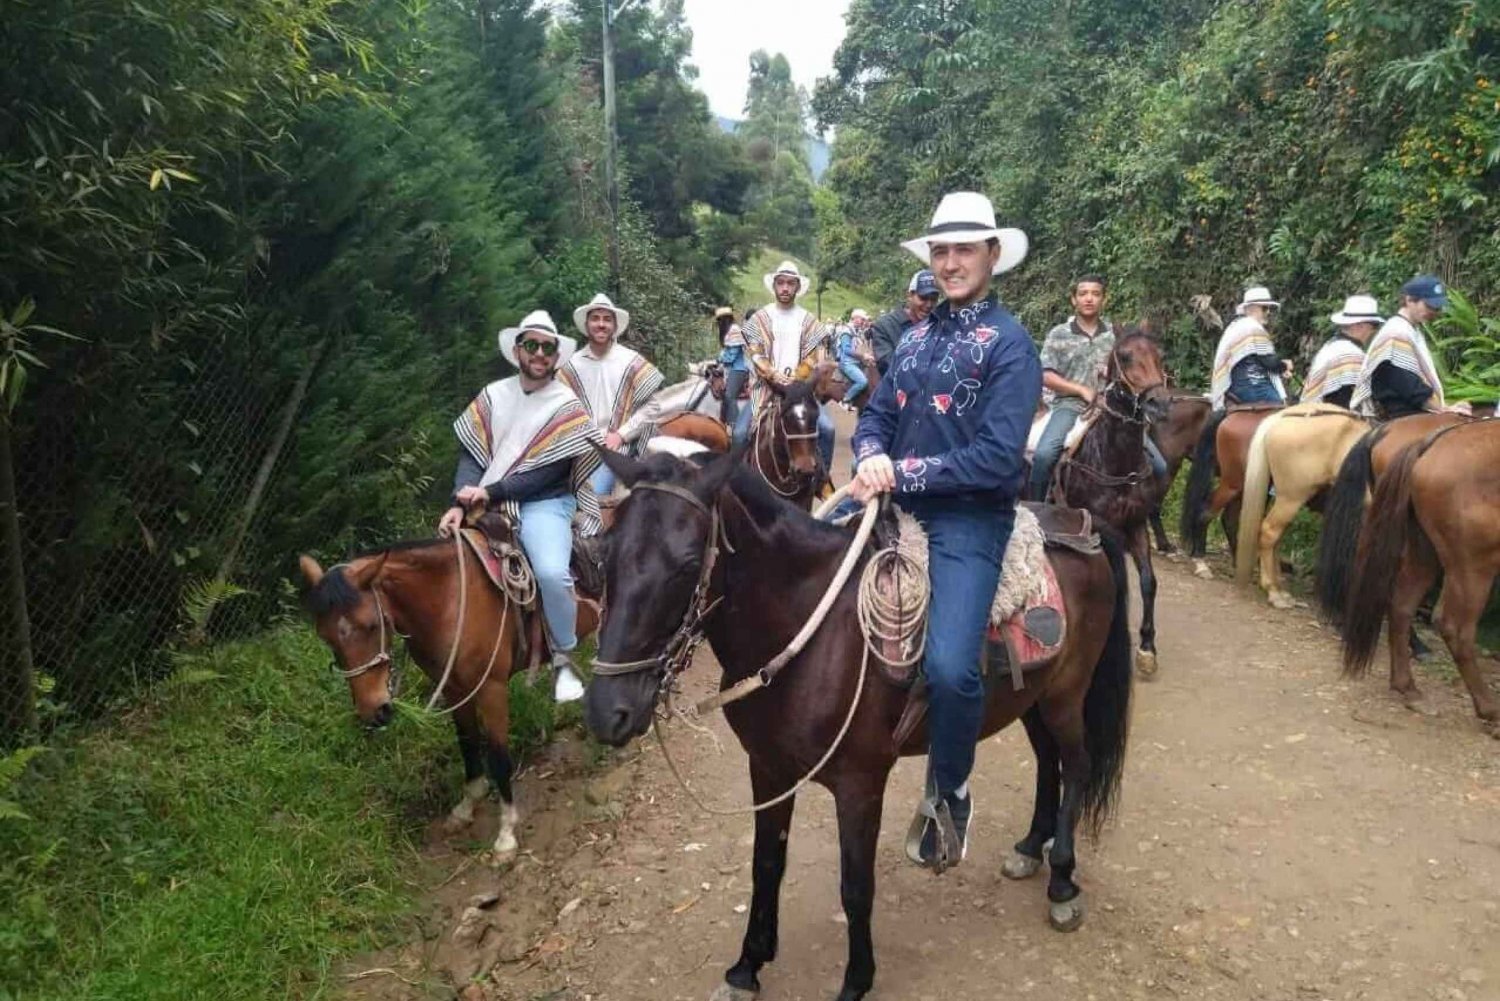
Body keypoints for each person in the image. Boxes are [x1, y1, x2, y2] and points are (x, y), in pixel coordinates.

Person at [850, 191, 1041, 868]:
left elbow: (995, 459)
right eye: (941, 250)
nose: (951, 262)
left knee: (953, 666)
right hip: (895, 504)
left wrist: (899, 473)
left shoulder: (1013, 347)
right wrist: (870, 451)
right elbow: (875, 413)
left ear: (993, 255)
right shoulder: (916, 336)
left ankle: (950, 789)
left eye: (965, 249)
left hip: (969, 517)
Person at [440, 311, 604, 703]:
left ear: (555, 356)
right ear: (517, 350)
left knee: (550, 573)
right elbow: (473, 456)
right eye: (532, 345)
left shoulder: (567, 405)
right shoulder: (493, 394)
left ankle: (564, 659)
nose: (540, 353)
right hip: (487, 499)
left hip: (544, 503)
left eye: (548, 348)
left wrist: (490, 493)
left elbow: (552, 473)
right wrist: (458, 504)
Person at [1026, 275, 1170, 501]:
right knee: (1045, 454)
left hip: (1112, 409)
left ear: (1104, 299)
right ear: (1074, 300)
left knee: (1159, 466)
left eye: (1095, 294)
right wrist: (1081, 390)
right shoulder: (1059, 333)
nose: (1089, 299)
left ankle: (1143, 511)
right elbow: (1045, 375)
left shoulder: (1116, 335)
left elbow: (1130, 367)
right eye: (1083, 294)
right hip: (1070, 406)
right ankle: (1037, 508)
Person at [557, 293, 664, 499]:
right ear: (587, 324)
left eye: (607, 319)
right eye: (595, 318)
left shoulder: (632, 361)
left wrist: (621, 435)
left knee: (593, 494)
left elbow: (652, 408)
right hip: (579, 449)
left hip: (620, 449)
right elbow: (560, 412)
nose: (601, 324)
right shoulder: (570, 367)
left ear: (614, 326)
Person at [742, 260, 835, 469]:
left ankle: (822, 479)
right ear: (774, 286)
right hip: (766, 390)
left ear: (797, 287)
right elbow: (754, 352)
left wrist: (797, 376)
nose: (785, 288)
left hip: (801, 391)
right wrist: (772, 373)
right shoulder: (759, 319)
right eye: (781, 283)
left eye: (790, 283)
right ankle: (739, 483)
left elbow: (814, 355)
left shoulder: (809, 321)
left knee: (827, 430)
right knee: (739, 434)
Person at [1350, 275, 1468, 418]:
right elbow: (1408, 384)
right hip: (1400, 413)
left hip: (1412, 409)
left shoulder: (1411, 330)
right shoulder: (1396, 333)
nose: (1434, 312)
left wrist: (1445, 406)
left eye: (1437, 308)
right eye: (1429, 306)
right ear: (1409, 300)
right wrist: (1442, 408)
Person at [1210, 286, 1292, 409]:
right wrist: (1285, 366)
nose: (1268, 312)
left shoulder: (1237, 326)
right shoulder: (1253, 328)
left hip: (1236, 385)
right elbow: (1270, 362)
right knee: (1281, 412)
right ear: (1252, 308)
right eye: (1265, 308)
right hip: (1255, 386)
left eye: (1269, 308)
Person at [1303, 294, 1381, 408]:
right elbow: (1344, 399)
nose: (1374, 331)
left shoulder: (1332, 346)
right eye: (1374, 325)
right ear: (1359, 325)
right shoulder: (1350, 354)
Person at [868, 269, 941, 376]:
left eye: (933, 299)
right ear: (910, 295)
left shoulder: (939, 325)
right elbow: (888, 365)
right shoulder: (885, 326)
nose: (929, 305)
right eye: (923, 298)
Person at [714, 306, 752, 442]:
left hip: (739, 369)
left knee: (730, 395)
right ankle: (724, 424)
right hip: (732, 368)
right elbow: (726, 352)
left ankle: (735, 426)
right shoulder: (729, 331)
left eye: (719, 321)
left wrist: (719, 360)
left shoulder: (734, 330)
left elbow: (732, 355)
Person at [833, 308, 873, 409]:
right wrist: (863, 356)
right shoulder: (846, 332)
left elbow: (859, 348)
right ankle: (845, 399)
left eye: (864, 320)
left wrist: (868, 357)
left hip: (855, 361)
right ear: (854, 318)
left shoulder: (856, 331)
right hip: (847, 362)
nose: (864, 322)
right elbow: (846, 350)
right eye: (862, 319)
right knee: (862, 381)